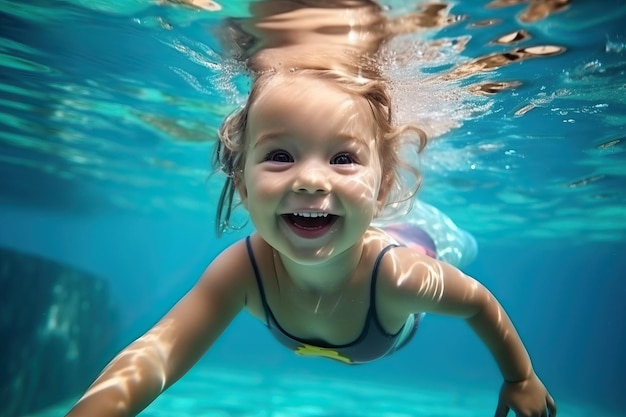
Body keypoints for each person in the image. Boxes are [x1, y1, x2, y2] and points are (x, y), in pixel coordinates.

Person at [66, 2, 555, 417]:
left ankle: (423, 221)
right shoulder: (244, 269)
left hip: (418, 243)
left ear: (383, 186)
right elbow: (160, 351)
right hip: (362, 227)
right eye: (280, 156)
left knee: (453, 244)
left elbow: (477, 303)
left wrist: (521, 377)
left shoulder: (403, 277)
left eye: (342, 159)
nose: (309, 179)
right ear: (240, 179)